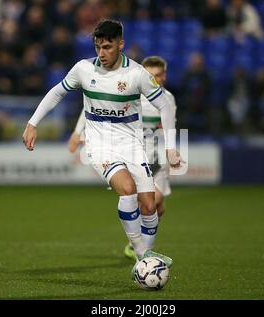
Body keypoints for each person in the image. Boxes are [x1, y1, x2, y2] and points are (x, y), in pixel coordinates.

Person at [22, 20, 182, 277]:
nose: (101, 53)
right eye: (97, 47)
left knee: (149, 205)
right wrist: (32, 123)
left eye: (107, 47)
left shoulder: (137, 74)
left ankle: (145, 256)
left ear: (121, 44)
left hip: (132, 144)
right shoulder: (84, 69)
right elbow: (56, 92)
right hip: (100, 144)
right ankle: (143, 257)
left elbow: (164, 106)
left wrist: (171, 148)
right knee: (127, 190)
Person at [68, 55, 178, 261]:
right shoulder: (132, 92)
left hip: (153, 157)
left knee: (158, 207)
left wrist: (171, 147)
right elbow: (93, 104)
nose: (155, 79)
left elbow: (167, 122)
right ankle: (142, 255)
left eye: (159, 75)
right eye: (150, 75)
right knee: (151, 198)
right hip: (130, 154)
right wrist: (78, 132)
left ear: (164, 76)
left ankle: (140, 247)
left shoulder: (167, 99)